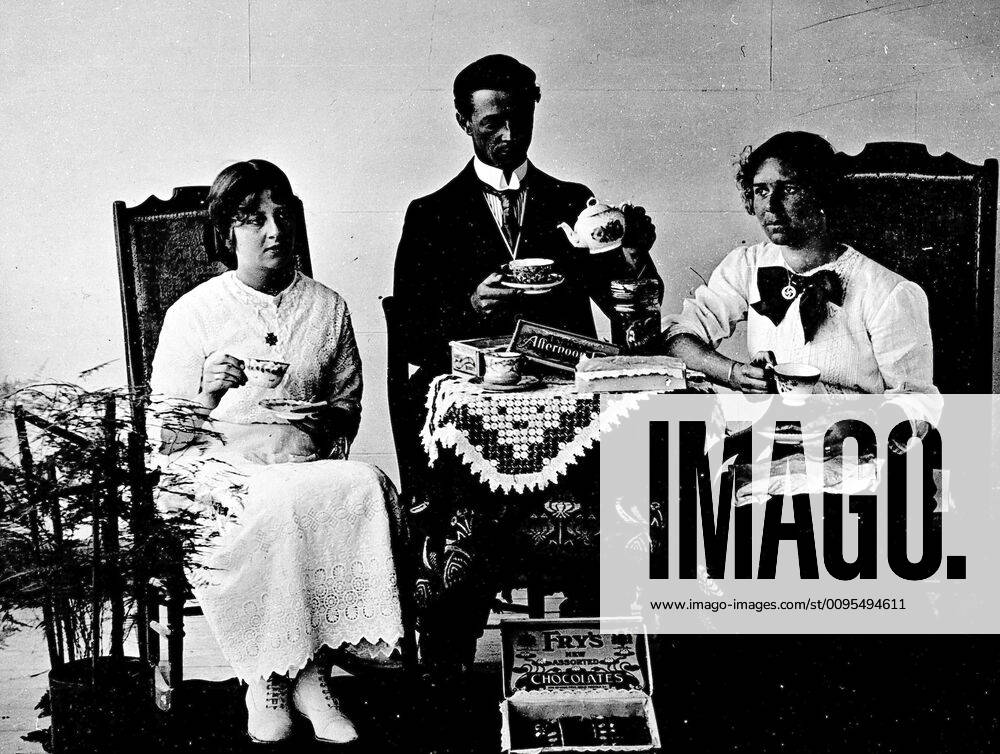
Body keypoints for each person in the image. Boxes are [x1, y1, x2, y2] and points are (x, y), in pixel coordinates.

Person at [390, 54, 660, 675]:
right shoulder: (429, 213)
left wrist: (631, 260)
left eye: (518, 120)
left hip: (571, 416)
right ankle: (450, 681)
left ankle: (602, 663)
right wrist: (467, 305)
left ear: (534, 110)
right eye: (490, 125)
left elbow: (628, 317)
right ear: (463, 122)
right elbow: (406, 336)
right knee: (474, 522)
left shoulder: (574, 202)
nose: (507, 136)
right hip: (478, 439)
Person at [149, 160, 403, 745]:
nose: (273, 230)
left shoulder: (327, 308)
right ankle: (274, 679)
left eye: (282, 216)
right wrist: (208, 392)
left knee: (360, 482)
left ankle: (305, 675)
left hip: (296, 459)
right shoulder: (193, 313)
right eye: (252, 219)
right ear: (224, 233)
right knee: (271, 501)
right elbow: (166, 434)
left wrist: (310, 424)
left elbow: (346, 405)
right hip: (212, 464)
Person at [663, 131, 937, 406]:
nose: (770, 205)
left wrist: (856, 428)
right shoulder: (747, 266)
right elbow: (678, 339)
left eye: (790, 189)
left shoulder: (889, 292)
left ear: (822, 192)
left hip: (854, 443)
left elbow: (917, 406)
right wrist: (735, 374)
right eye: (761, 191)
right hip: (773, 436)